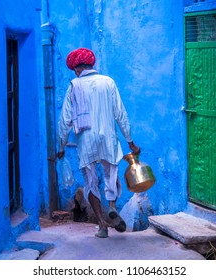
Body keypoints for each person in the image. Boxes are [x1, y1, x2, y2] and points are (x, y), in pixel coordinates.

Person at [57, 47, 140, 238]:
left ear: (77, 69)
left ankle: (102, 225)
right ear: (92, 65)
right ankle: (112, 206)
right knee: (111, 175)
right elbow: (121, 114)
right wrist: (131, 142)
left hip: (86, 141)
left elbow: (65, 121)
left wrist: (61, 147)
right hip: (108, 138)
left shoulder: (74, 86)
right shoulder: (108, 82)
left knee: (90, 181)